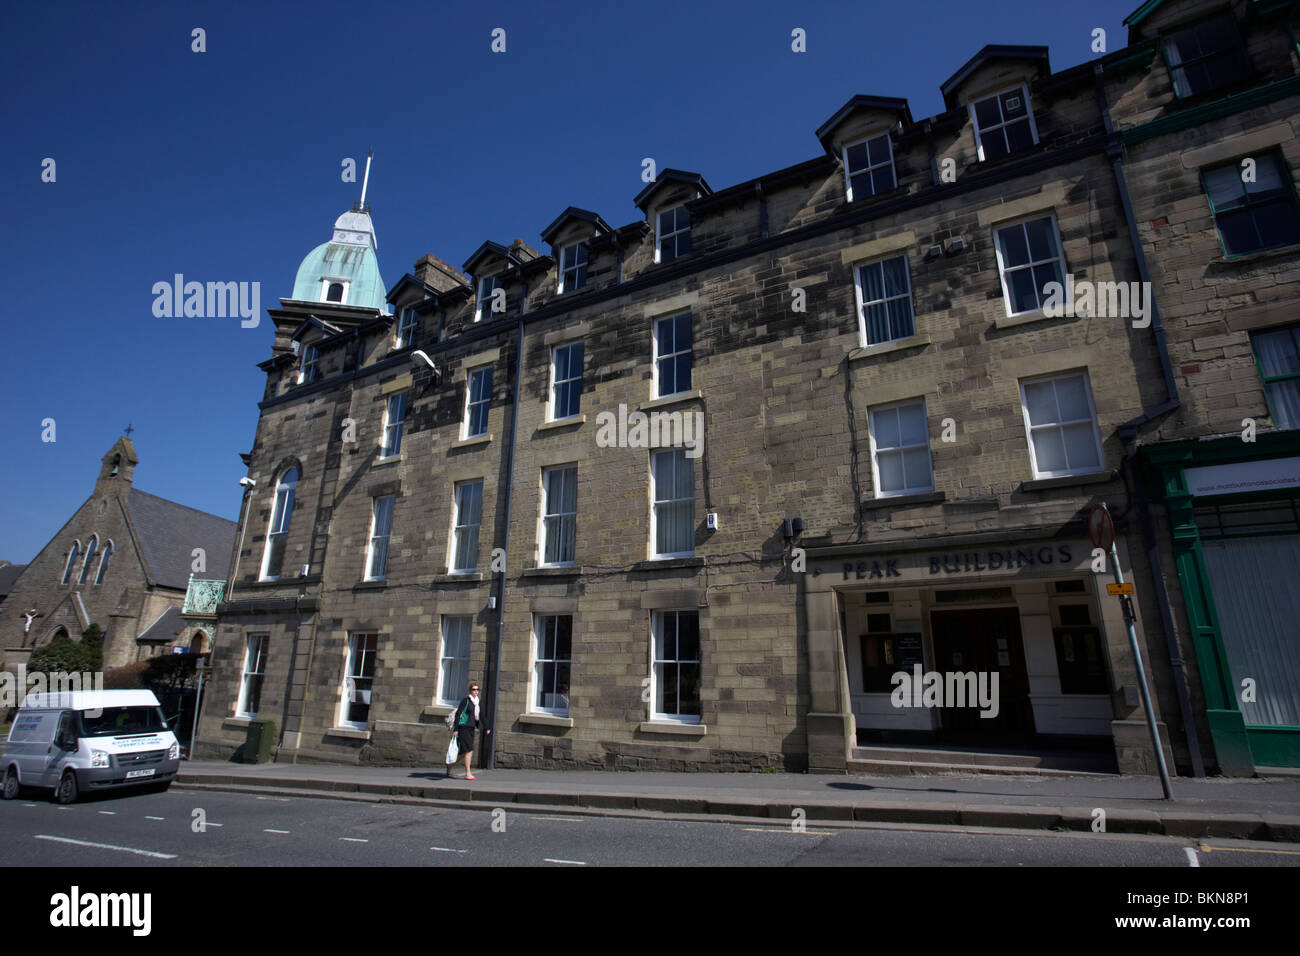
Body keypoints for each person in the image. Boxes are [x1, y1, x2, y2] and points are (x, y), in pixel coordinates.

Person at [446, 681, 490, 780]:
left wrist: (487, 727)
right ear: (470, 691)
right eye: (473, 689)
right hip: (463, 727)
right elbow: (458, 714)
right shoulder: (466, 701)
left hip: (471, 728)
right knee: (469, 750)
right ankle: (468, 773)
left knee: (463, 753)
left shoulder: (478, 702)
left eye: (477, 689)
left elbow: (481, 715)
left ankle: (449, 765)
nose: (476, 691)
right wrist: (456, 729)